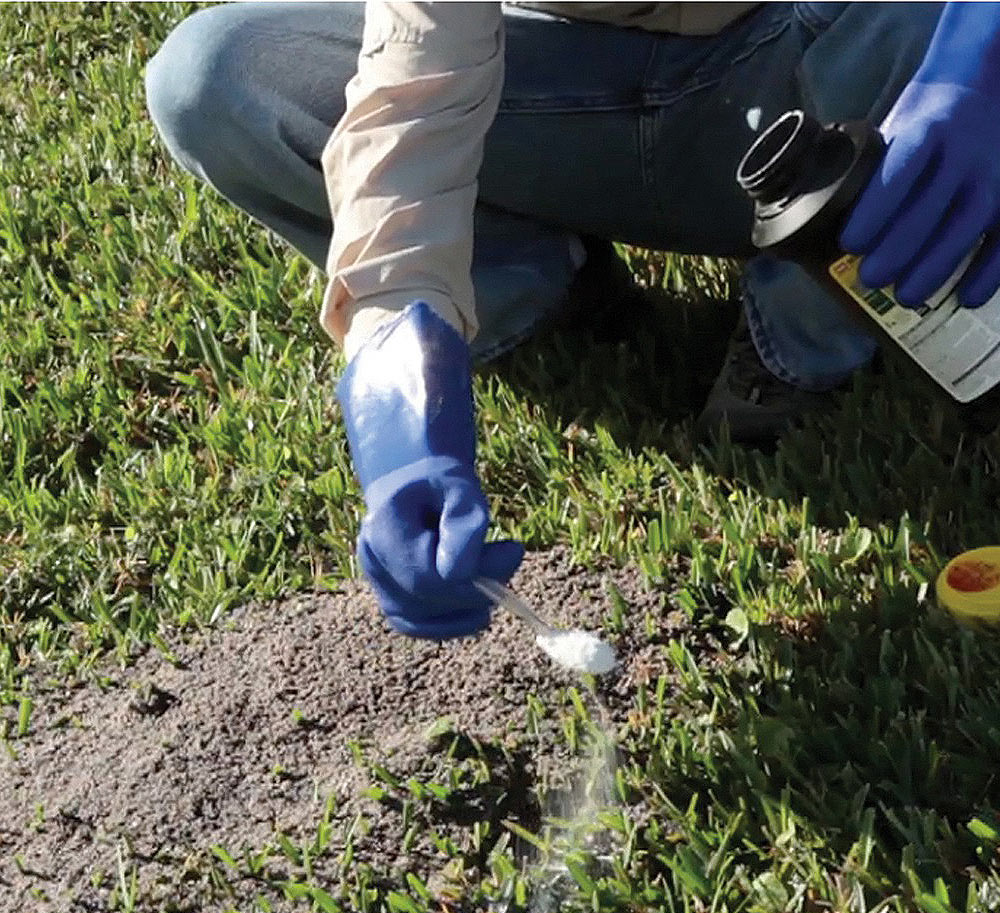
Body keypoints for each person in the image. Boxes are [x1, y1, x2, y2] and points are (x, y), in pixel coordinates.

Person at [145, 2, 1000, 640]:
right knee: (221, 78)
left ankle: (809, 329)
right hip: (584, 79)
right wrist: (400, 429)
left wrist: (978, 49)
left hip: (836, 55)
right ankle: (560, 300)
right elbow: (406, 120)